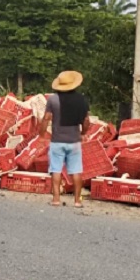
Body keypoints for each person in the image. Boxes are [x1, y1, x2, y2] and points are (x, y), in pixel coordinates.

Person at [39, 70, 91, 208]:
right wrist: (83, 133)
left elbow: (46, 118)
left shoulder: (53, 99)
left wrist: (41, 134)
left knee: (56, 170)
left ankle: (56, 199)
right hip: (74, 141)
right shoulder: (81, 100)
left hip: (57, 140)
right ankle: (77, 201)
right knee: (76, 171)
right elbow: (86, 121)